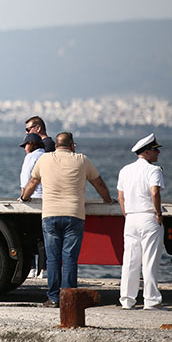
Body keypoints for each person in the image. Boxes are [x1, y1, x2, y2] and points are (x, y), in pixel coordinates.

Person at [21, 132, 114, 307]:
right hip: (74, 215)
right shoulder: (81, 160)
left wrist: (24, 197)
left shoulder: (45, 160)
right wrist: (108, 201)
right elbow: (99, 183)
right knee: (70, 257)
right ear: (72, 145)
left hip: (50, 215)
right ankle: (69, 298)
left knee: (53, 258)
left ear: (56, 145)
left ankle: (54, 298)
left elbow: (33, 182)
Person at [117, 133, 165, 310]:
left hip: (131, 218)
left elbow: (121, 197)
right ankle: (151, 300)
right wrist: (158, 214)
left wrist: (126, 214)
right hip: (148, 217)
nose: (157, 154)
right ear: (146, 152)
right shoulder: (154, 171)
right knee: (150, 260)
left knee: (130, 260)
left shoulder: (125, 170)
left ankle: (127, 299)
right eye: (154, 150)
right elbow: (155, 193)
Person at [19, 132, 46, 278]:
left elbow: (26, 179)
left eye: (26, 145)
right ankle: (43, 269)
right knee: (43, 237)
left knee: (29, 235)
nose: (24, 148)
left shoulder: (30, 157)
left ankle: (32, 268)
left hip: (33, 199)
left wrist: (23, 197)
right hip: (47, 199)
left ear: (32, 144)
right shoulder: (47, 156)